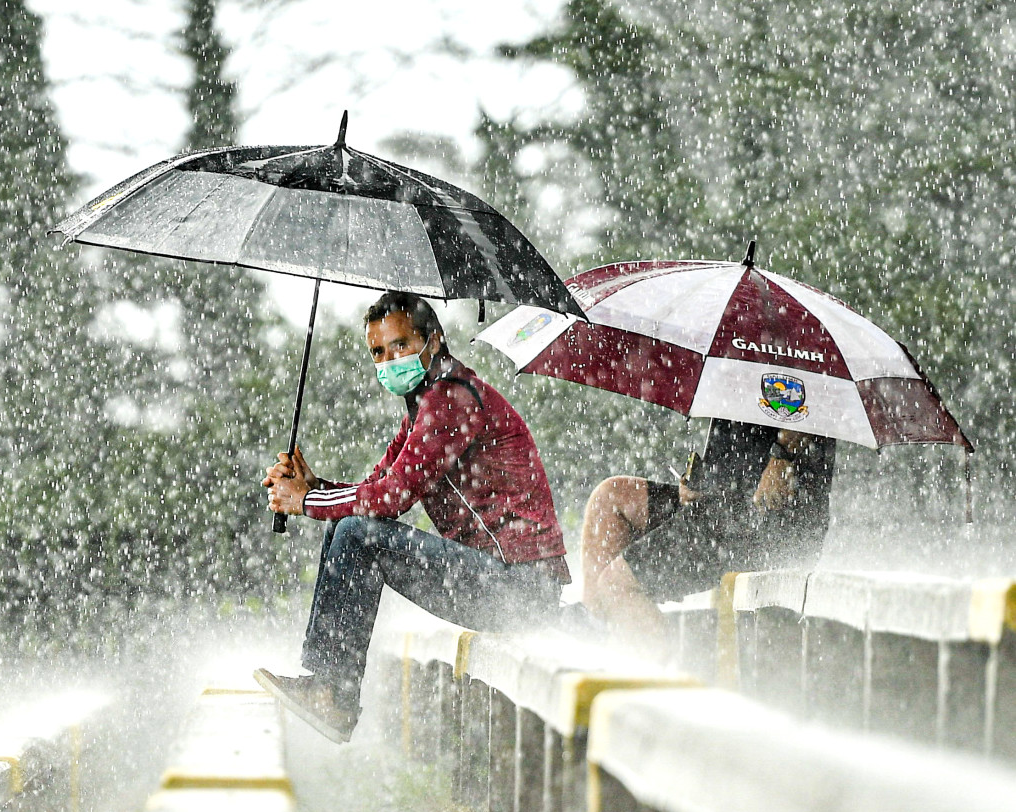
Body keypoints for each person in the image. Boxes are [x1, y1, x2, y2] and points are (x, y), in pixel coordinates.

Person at [256, 291, 571, 743]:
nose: (389, 360)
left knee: (358, 534)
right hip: (499, 584)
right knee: (347, 529)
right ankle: (327, 687)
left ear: (435, 341)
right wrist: (316, 486)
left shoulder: (451, 399)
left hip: (520, 588)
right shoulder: (426, 404)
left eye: (400, 345)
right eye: (378, 352)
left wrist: (304, 501)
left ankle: (333, 692)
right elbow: (375, 487)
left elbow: (391, 497)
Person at [578, 420, 836, 645]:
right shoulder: (739, 366)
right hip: (720, 505)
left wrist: (783, 457)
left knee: (616, 584)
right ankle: (604, 632)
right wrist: (702, 482)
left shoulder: (792, 366)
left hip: (763, 518)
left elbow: (805, 397)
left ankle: (659, 676)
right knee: (609, 497)